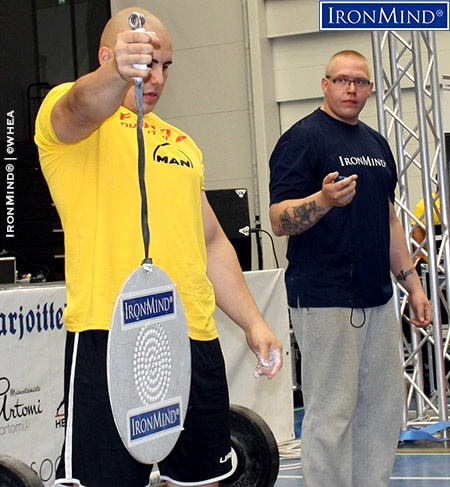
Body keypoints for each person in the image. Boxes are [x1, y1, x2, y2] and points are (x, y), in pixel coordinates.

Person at [35, 7, 283, 487]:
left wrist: (253, 323)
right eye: (147, 63)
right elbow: (78, 108)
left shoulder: (183, 144)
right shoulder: (71, 121)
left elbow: (210, 241)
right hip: (110, 333)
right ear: (109, 56)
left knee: (203, 480)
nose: (157, 77)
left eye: (165, 65)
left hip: (192, 335)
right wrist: (114, 73)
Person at [268, 50, 432, 487]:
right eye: (342, 80)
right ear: (325, 84)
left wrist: (412, 286)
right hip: (323, 299)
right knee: (332, 411)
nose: (351, 89)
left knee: (380, 408)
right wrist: (323, 201)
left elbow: (388, 218)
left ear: (370, 89)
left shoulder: (377, 145)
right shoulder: (301, 140)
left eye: (360, 82)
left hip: (377, 298)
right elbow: (278, 218)